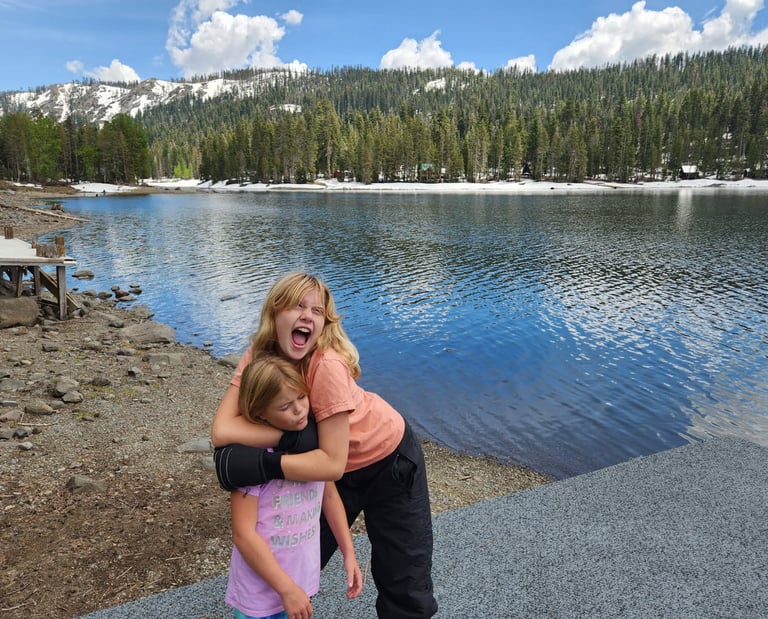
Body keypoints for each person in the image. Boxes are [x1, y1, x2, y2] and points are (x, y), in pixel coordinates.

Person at [212, 272, 438, 619]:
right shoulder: (258, 354)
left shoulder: (327, 365)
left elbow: (331, 465)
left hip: (388, 460)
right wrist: (292, 439)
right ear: (275, 312)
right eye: (297, 306)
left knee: (404, 580)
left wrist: (265, 465)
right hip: (323, 465)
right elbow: (222, 431)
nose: (307, 316)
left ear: (324, 324)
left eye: (317, 311)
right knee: (290, 556)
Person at [224, 352, 363, 619]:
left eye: (301, 397)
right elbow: (243, 534)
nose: (299, 409)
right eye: (285, 406)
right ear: (259, 412)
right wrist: (286, 589)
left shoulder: (314, 447)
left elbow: (330, 497)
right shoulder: (250, 458)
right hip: (260, 592)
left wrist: (348, 552)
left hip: (300, 580)